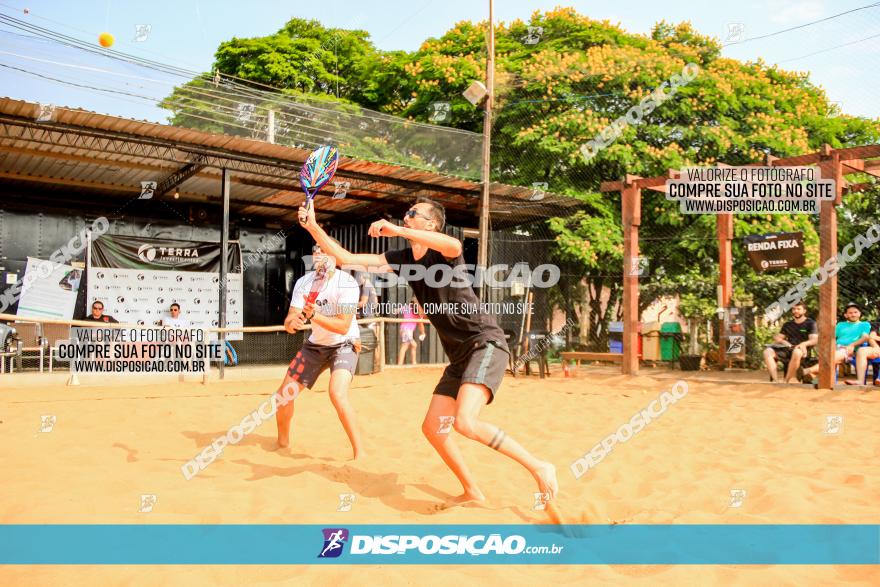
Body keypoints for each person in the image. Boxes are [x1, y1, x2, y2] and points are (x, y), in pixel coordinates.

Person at [298, 196, 558, 505]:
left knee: (465, 422)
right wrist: (313, 226)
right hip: (459, 356)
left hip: (485, 342)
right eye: (405, 213)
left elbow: (452, 244)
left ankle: (540, 467)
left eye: (412, 214)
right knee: (433, 428)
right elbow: (345, 257)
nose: (406, 217)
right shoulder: (403, 258)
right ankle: (473, 492)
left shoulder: (445, 253)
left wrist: (396, 230)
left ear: (430, 223)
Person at [274, 243, 366, 459]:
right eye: (315, 251)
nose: (318, 254)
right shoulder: (304, 283)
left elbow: (343, 325)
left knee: (337, 393)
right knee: (282, 396)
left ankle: (360, 453)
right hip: (315, 345)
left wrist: (314, 315)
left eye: (324, 250)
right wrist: (292, 323)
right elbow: (290, 320)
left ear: (335, 256)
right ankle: (282, 444)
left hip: (345, 343)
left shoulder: (348, 284)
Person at [801, 302, 871, 383]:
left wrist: (852, 345)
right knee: (830, 354)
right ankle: (815, 376)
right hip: (837, 348)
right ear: (846, 315)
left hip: (850, 350)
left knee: (833, 355)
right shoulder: (841, 325)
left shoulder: (864, 324)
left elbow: (865, 337)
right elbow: (831, 337)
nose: (853, 314)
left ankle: (809, 371)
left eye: (855, 312)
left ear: (860, 313)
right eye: (850, 313)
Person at [762, 302, 817, 383]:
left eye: (798, 309)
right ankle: (775, 381)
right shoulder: (788, 324)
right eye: (794, 309)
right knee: (767, 351)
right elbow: (778, 337)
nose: (796, 311)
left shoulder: (811, 323)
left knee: (797, 352)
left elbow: (814, 340)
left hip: (803, 351)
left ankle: (786, 381)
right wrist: (784, 342)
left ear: (804, 311)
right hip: (788, 349)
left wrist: (803, 344)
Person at [845, 319, 880, 386]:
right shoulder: (876, 324)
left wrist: (877, 338)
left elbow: (875, 337)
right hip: (877, 349)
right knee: (862, 351)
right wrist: (876, 347)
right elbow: (871, 337)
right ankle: (860, 381)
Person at [398, 295, 426, 365]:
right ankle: (399, 364)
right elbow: (421, 324)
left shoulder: (408, 308)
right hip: (407, 331)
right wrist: (423, 333)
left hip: (403, 330)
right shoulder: (417, 313)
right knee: (405, 346)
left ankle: (413, 363)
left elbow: (396, 310)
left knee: (414, 345)